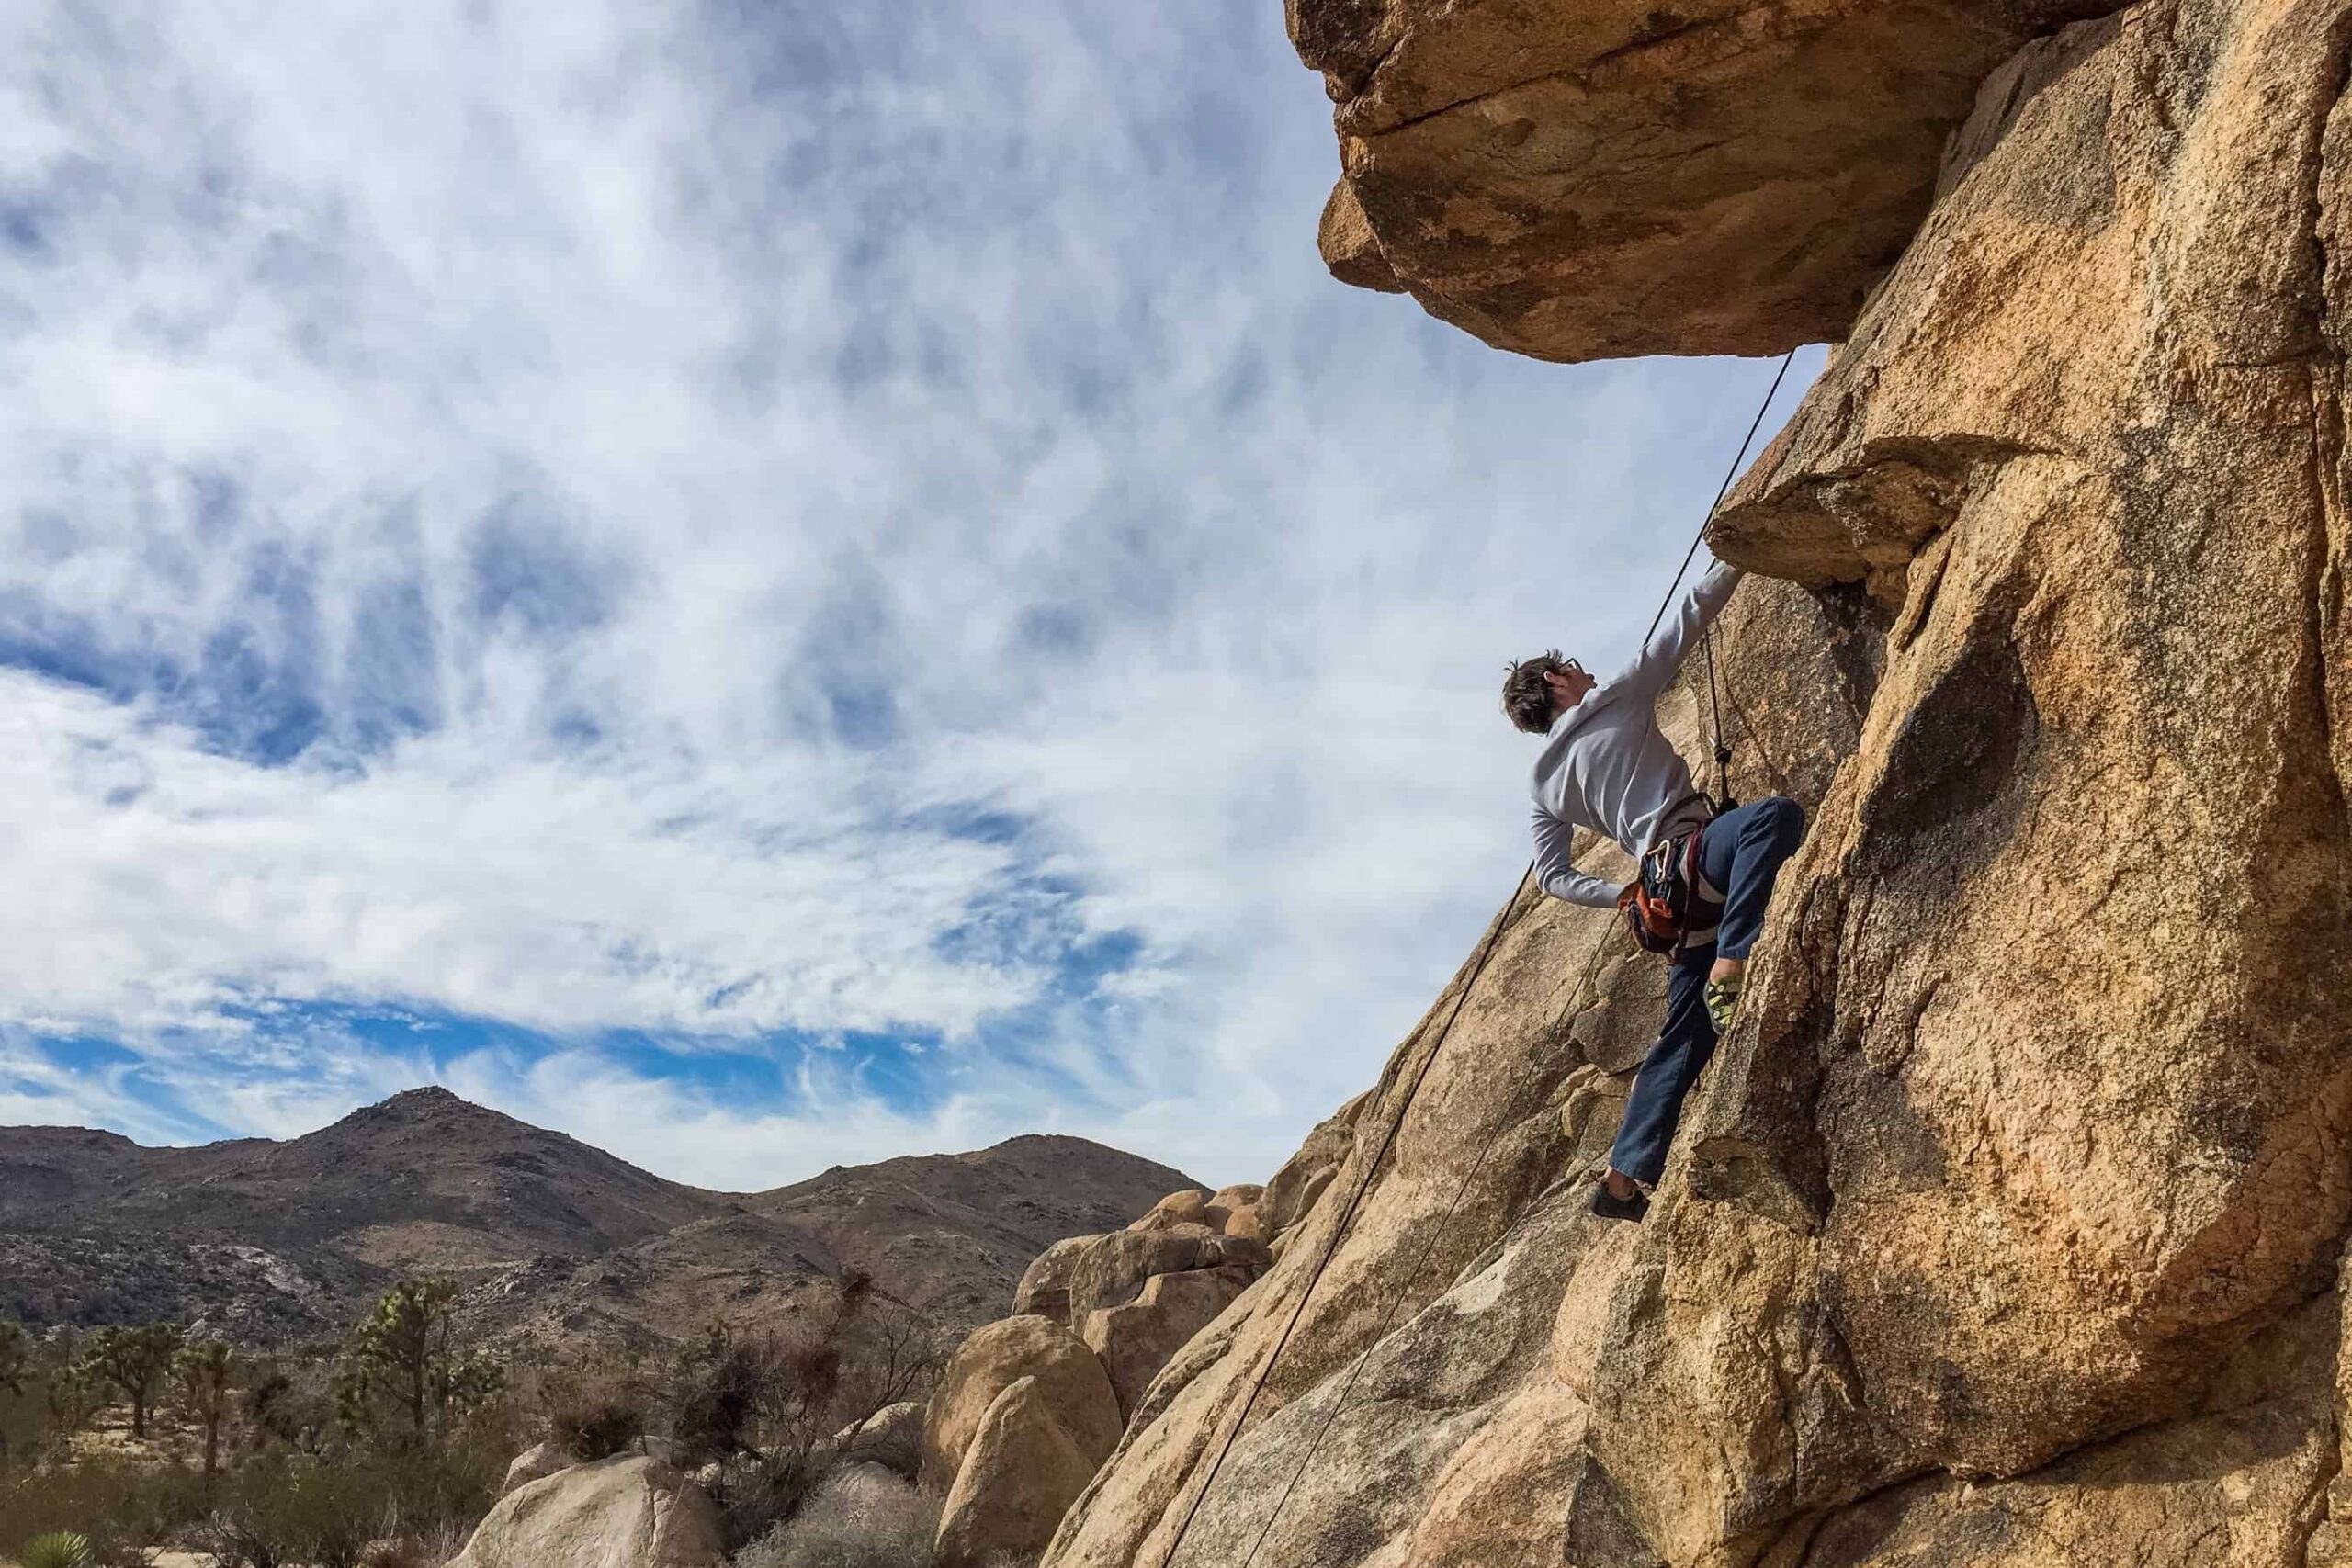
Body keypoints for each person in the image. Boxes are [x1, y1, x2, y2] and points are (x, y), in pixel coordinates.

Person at [1501, 558, 1805, 1223]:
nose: (1583, 669)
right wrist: (1735, 545)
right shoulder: (1615, 697)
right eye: (1571, 665)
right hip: (1697, 856)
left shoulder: (1543, 787)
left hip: (1663, 896)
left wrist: (1615, 894)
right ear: (1556, 680)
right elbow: (1693, 611)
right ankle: (1736, 954)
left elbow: (1551, 874)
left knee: (1683, 1031)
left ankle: (1621, 1178)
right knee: (1772, 820)